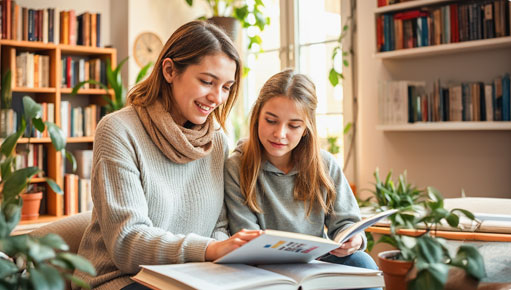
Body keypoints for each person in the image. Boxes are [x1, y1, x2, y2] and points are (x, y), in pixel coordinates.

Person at [73, 21, 261, 290]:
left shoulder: (217, 141)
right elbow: (126, 242)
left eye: (226, 87)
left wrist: (224, 250)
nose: (217, 97)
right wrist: (210, 250)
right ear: (170, 70)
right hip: (120, 279)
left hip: (193, 275)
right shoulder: (119, 131)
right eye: (207, 81)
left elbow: (219, 225)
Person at [224, 69, 381, 290]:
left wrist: (352, 241)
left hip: (315, 266)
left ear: (306, 128)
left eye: (294, 126)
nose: (280, 133)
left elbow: (347, 224)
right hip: (261, 268)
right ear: (257, 116)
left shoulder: (324, 165)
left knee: (362, 262)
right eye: (271, 121)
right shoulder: (237, 167)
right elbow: (247, 238)